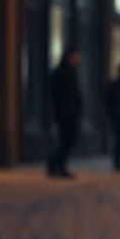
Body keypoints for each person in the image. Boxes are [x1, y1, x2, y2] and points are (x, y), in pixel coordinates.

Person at [47, 48, 83, 179]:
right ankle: (57, 164)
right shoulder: (61, 72)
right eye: (76, 57)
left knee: (69, 139)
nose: (78, 60)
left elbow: (75, 93)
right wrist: (63, 110)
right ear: (69, 56)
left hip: (70, 112)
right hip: (65, 112)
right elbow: (58, 95)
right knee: (67, 139)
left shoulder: (71, 71)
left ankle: (56, 163)